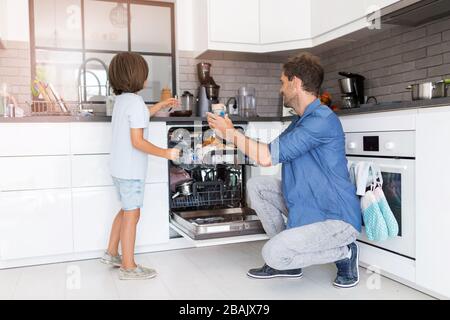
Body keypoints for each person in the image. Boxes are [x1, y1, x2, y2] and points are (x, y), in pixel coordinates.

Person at [207, 52, 362, 288]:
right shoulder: (299, 121)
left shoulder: (321, 120)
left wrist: (231, 133)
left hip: (335, 219)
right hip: (310, 210)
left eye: (283, 82)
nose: (281, 89)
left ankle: (344, 252)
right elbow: (266, 153)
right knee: (257, 186)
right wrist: (228, 137)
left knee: (273, 254)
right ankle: (289, 263)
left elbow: (267, 157)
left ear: (296, 82)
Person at [100, 52, 180, 280]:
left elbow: (141, 115)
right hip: (131, 171)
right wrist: (166, 152)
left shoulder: (124, 101)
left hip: (118, 168)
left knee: (126, 210)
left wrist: (161, 105)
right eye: (144, 72)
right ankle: (128, 266)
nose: (146, 76)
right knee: (132, 215)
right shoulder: (134, 102)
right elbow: (137, 141)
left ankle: (111, 253)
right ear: (135, 76)